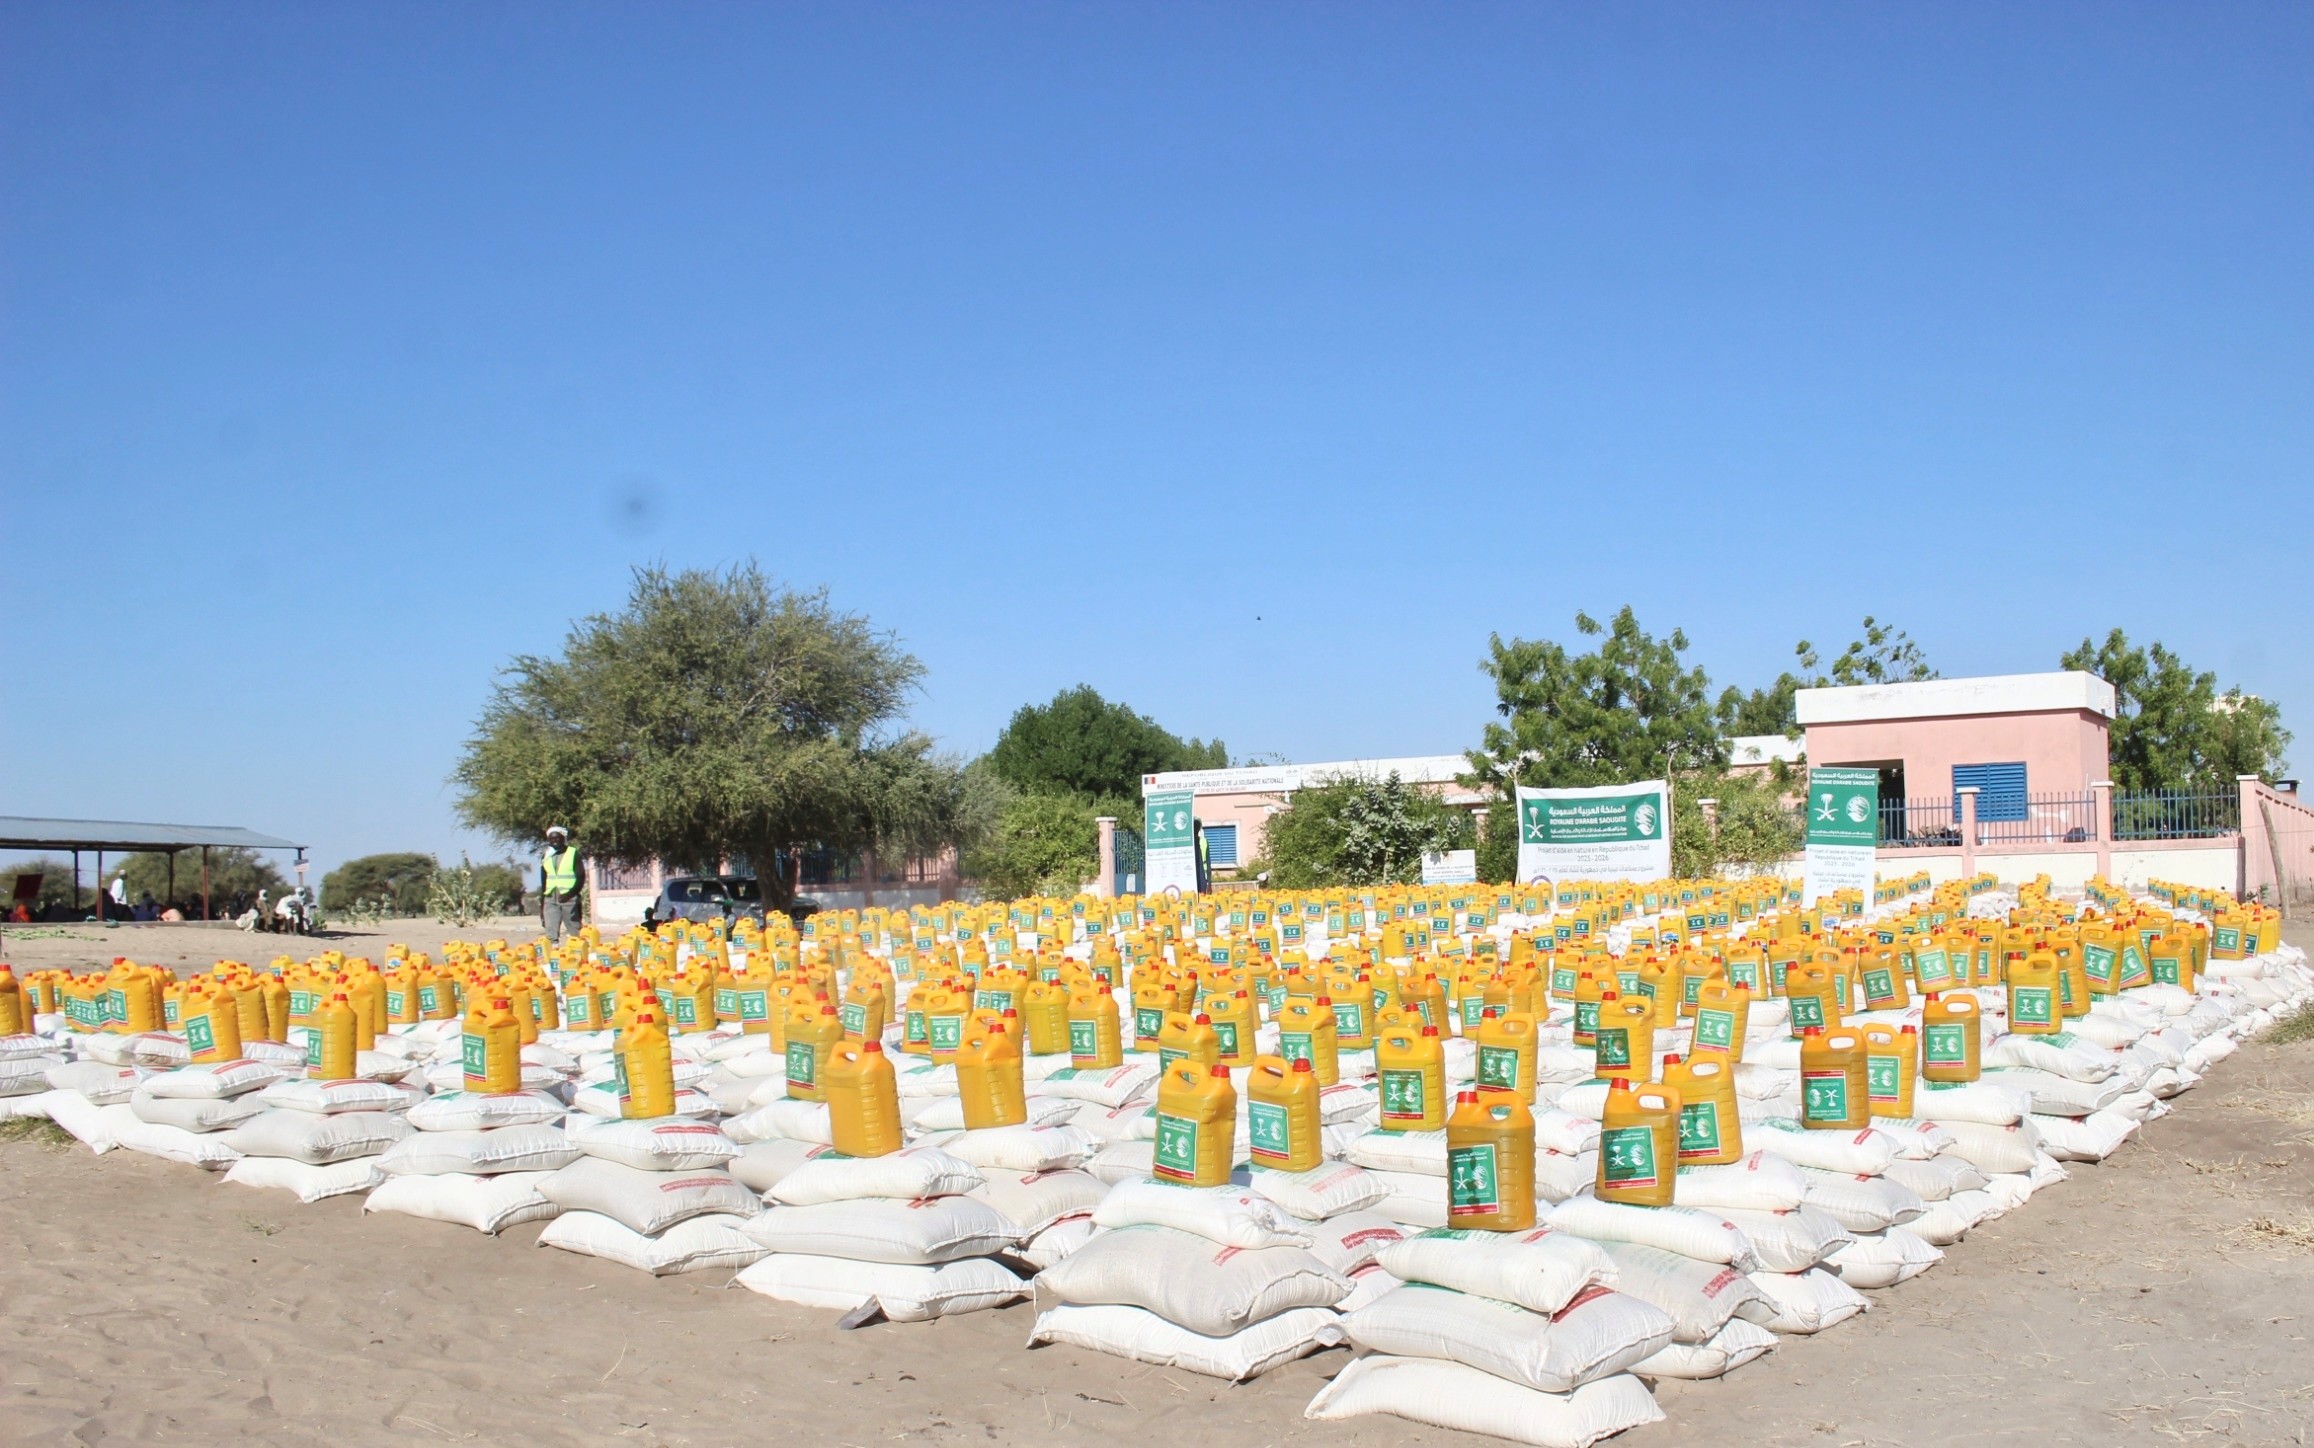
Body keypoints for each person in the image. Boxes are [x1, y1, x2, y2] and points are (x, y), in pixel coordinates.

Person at [540, 826, 583, 943]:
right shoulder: (546, 855)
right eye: (552, 839)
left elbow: (580, 877)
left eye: (557, 838)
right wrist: (542, 903)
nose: (555, 841)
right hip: (550, 896)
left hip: (568, 897)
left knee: (574, 929)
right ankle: (554, 954)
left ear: (563, 838)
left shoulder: (573, 853)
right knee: (550, 930)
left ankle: (577, 951)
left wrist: (571, 894)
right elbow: (544, 880)